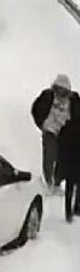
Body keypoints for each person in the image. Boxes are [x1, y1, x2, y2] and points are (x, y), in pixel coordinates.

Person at [31, 74, 79, 190]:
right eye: (58, 89)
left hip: (65, 133)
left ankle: (57, 181)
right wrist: (42, 123)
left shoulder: (73, 100)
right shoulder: (48, 95)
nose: (60, 93)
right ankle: (48, 182)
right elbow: (35, 109)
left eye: (63, 90)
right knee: (50, 154)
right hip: (50, 130)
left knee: (63, 157)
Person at [56, 91, 80, 222]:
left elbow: (61, 141)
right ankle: (77, 207)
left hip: (70, 156)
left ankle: (68, 212)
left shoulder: (67, 123)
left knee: (70, 186)